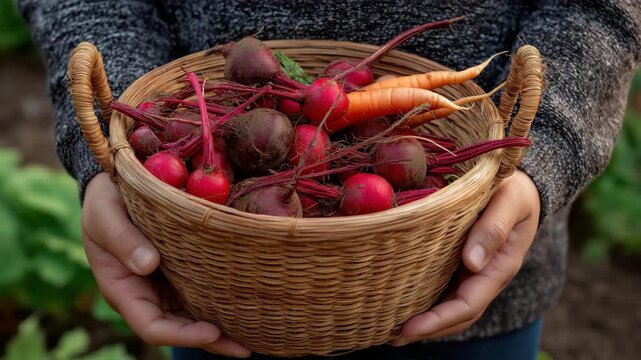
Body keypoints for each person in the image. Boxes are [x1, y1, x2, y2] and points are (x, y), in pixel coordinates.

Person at [19, 0, 640, 359]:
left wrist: (540, 152)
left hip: (473, 273)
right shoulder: (219, 170)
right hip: (217, 275)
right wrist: (109, 157)